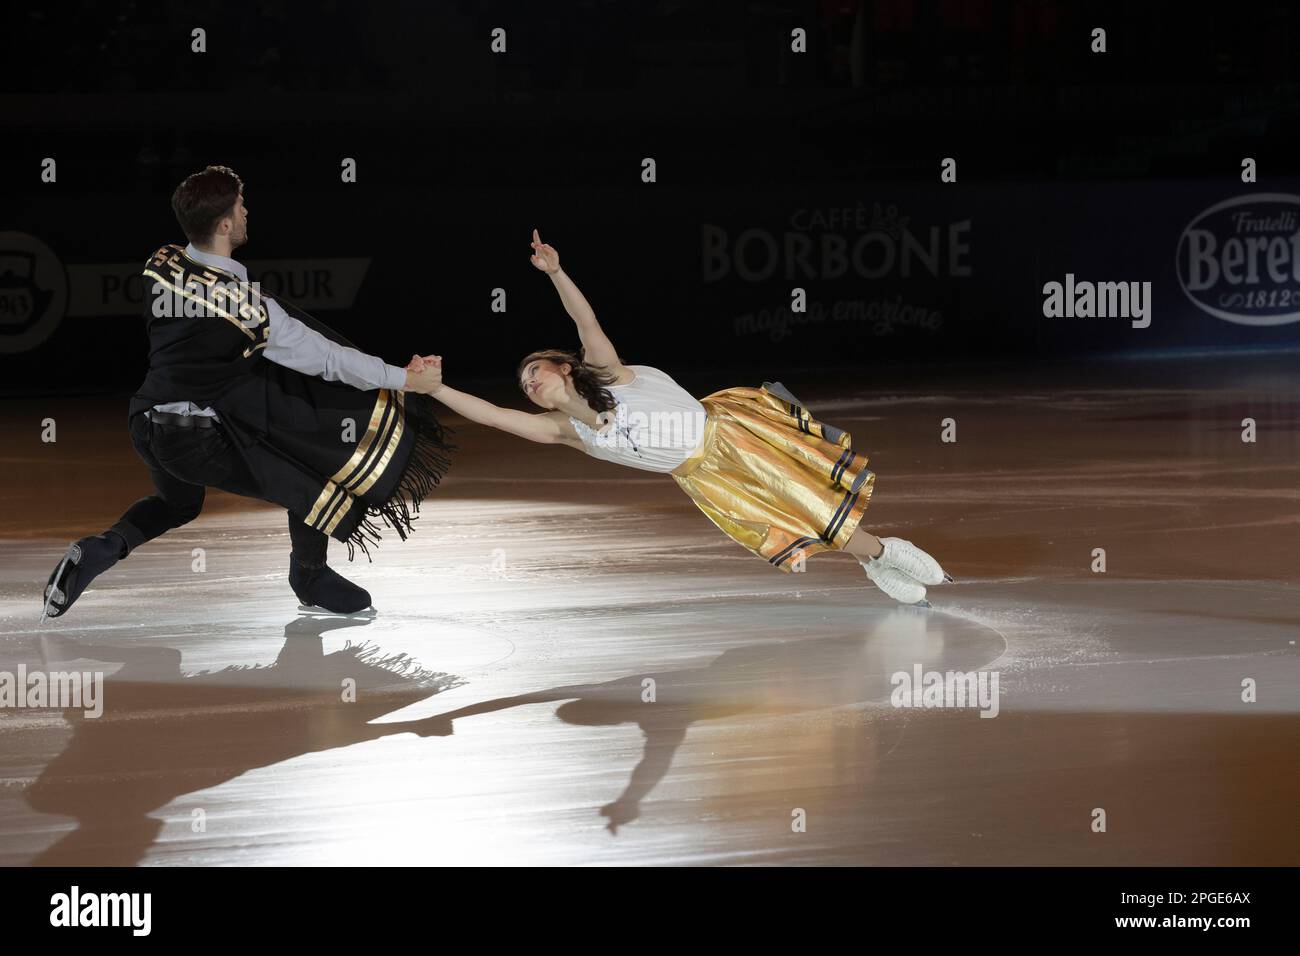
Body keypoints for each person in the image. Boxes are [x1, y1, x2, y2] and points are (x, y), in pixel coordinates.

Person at [409, 230, 951, 606]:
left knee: (814, 505)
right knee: (801, 523)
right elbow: (494, 417)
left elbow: (584, 318)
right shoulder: (563, 431)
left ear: (564, 367)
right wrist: (438, 388)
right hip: (701, 475)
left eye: (535, 370)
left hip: (734, 434)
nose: (529, 383)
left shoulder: (607, 370)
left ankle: (883, 553)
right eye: (525, 384)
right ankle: (876, 557)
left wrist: (555, 271)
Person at [42, 166, 452, 620]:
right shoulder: (250, 308)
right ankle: (309, 576)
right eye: (240, 207)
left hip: (145, 421)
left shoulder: (160, 263)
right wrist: (404, 379)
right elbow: (328, 359)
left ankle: (104, 546)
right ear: (224, 225)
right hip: (194, 439)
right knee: (314, 477)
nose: (246, 213)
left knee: (177, 504)